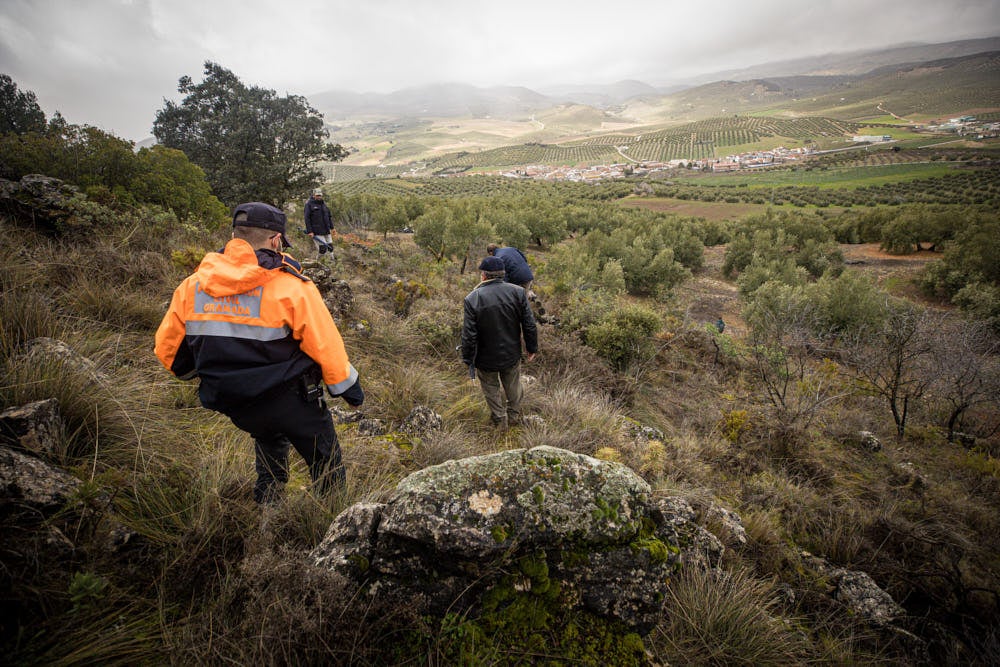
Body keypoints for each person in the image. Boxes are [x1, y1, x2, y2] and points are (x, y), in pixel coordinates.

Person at [155, 202, 364, 504]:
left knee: (266, 434)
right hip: (291, 400)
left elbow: (168, 350)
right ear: (275, 240)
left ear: (234, 237)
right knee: (326, 461)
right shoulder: (292, 288)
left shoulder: (193, 286)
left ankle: (269, 505)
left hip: (234, 403)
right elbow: (325, 345)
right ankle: (328, 518)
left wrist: (196, 373)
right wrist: (350, 391)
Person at [461, 255, 538, 430]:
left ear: (483, 275)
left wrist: (468, 358)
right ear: (502, 274)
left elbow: (469, 335)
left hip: (485, 357)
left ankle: (499, 421)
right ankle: (514, 417)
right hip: (511, 353)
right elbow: (529, 324)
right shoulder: (518, 292)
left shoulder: (472, 298)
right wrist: (531, 347)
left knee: (491, 389)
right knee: (514, 387)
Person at [304, 188, 335, 260]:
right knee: (323, 249)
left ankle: (332, 261)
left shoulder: (323, 204)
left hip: (326, 230)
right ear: (314, 195)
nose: (319, 197)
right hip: (316, 231)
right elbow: (307, 218)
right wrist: (310, 231)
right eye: (317, 195)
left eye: (320, 195)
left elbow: (329, 217)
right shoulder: (309, 204)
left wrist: (332, 228)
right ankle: (318, 262)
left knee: (330, 247)